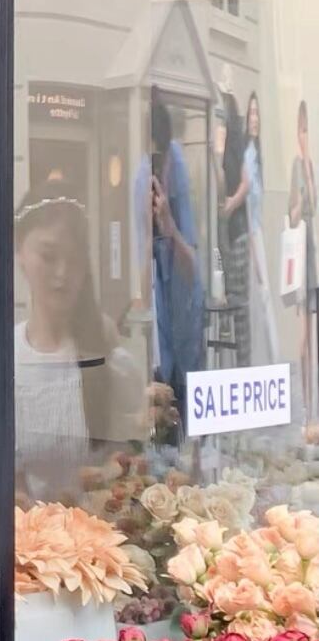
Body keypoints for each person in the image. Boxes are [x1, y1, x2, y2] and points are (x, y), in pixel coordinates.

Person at [14, 183, 145, 503]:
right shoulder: (6, 359)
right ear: (19, 253)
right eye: (48, 256)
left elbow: (131, 469)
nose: (62, 273)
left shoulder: (109, 363)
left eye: (74, 259)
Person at [136, 91, 204, 406]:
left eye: (159, 159)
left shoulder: (177, 166)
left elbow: (192, 267)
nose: (157, 170)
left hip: (185, 320)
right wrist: (147, 227)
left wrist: (169, 226)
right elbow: (140, 283)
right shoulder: (141, 177)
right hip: (159, 329)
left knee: (186, 398)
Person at [224, 91, 279, 364]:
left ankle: (270, 361)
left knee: (262, 299)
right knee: (259, 299)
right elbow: (245, 191)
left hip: (255, 232)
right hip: (249, 233)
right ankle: (269, 361)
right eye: (251, 113)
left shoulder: (256, 152)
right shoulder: (246, 150)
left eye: (257, 113)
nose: (254, 119)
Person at [215, 89, 251, 365]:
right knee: (223, 299)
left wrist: (231, 204)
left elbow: (246, 183)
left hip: (236, 231)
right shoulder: (217, 149)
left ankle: (243, 363)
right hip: (221, 233)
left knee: (239, 303)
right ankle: (227, 366)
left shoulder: (238, 148)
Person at [289, 100, 317, 417]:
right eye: (301, 129)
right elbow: (294, 213)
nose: (304, 134)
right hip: (299, 249)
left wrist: (310, 166)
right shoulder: (296, 165)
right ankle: (304, 398)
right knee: (302, 334)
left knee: (312, 331)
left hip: (311, 252)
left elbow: (315, 202)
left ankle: (312, 401)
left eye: (307, 128)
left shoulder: (308, 165)